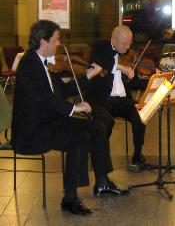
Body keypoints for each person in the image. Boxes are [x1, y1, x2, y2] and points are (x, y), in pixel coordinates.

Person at [11, 20, 129, 216]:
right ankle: (70, 197)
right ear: (43, 41)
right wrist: (74, 108)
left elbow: (62, 90)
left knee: (97, 126)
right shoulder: (29, 65)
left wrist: (88, 76)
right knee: (80, 136)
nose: (58, 44)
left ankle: (102, 181)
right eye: (56, 40)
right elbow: (44, 100)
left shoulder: (41, 62)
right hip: (32, 130)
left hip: (48, 120)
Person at [86, 25, 146, 169]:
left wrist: (154, 79)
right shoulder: (100, 48)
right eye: (124, 44)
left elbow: (134, 81)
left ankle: (138, 154)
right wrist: (120, 67)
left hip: (120, 100)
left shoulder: (126, 56)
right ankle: (101, 157)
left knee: (140, 114)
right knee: (107, 122)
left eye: (130, 43)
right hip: (100, 99)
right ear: (113, 40)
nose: (128, 47)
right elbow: (99, 63)